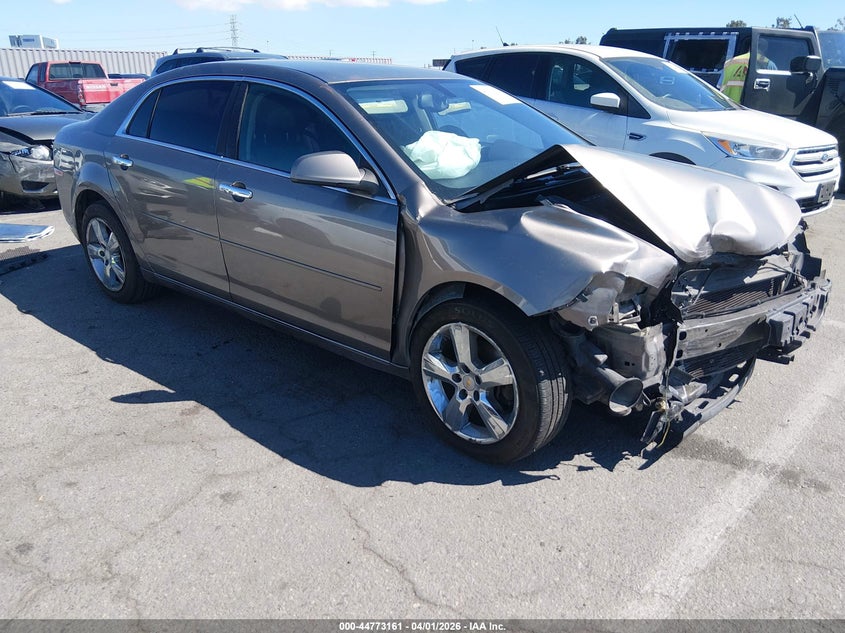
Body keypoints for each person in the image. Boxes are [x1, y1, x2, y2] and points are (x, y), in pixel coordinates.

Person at [719, 39, 777, 103]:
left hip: (729, 106)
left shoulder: (729, 63)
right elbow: (776, 90)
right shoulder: (768, 64)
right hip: (752, 108)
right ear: (765, 48)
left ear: (749, 47)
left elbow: (719, 86)